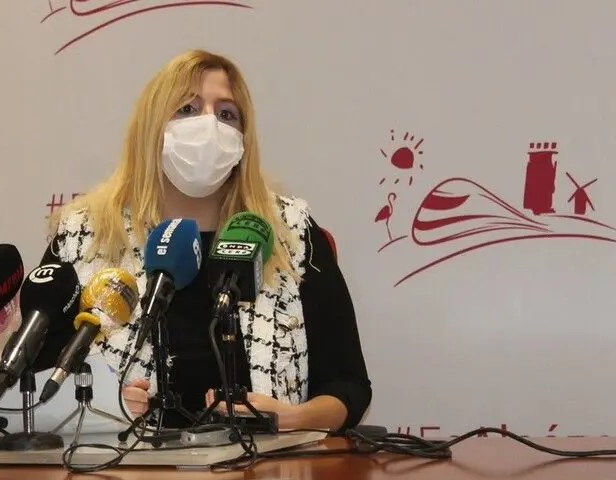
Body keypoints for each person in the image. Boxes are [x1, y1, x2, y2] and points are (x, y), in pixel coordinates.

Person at [42, 49, 371, 431]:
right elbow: (34, 383)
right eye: (187, 109)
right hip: (128, 465)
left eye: (227, 114)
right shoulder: (84, 235)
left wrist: (291, 418)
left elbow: (348, 387)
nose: (209, 125)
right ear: (152, 127)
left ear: (243, 139)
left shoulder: (290, 232)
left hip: (267, 465)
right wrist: (98, 404)